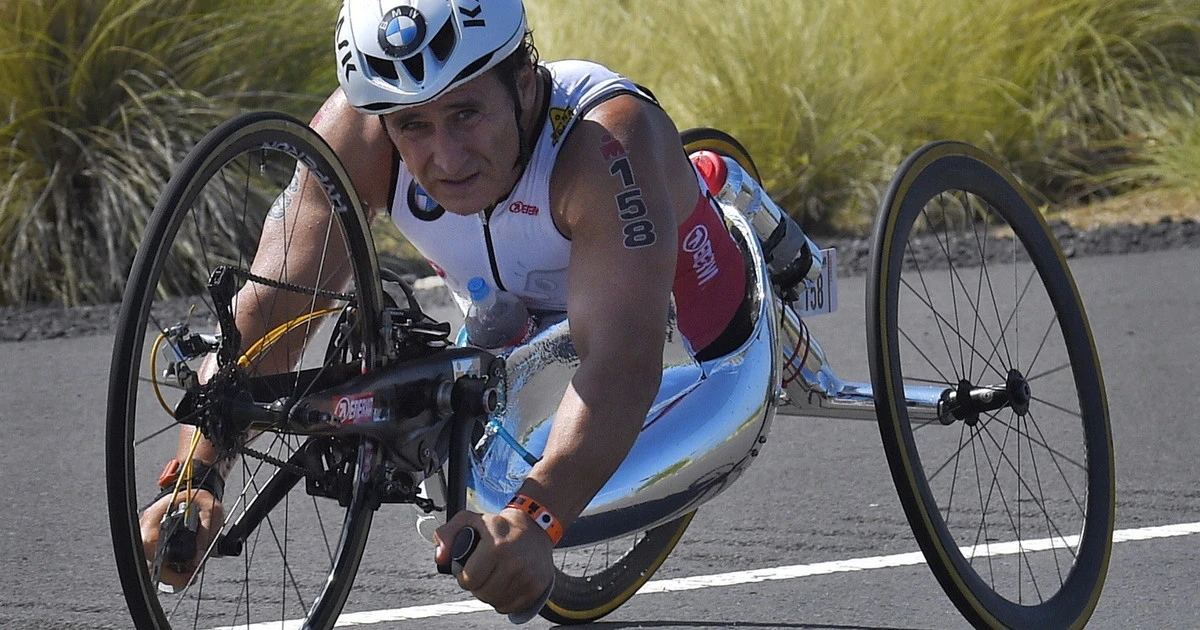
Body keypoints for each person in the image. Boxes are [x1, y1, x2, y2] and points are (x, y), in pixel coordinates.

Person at [138, 0, 757, 617]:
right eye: (414, 127)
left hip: (687, 329)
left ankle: (734, 203)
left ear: (522, 83)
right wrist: (199, 472)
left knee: (526, 469)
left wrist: (536, 518)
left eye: (466, 113)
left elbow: (622, 359)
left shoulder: (601, 143)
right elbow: (267, 309)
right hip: (514, 329)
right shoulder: (361, 132)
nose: (448, 157)